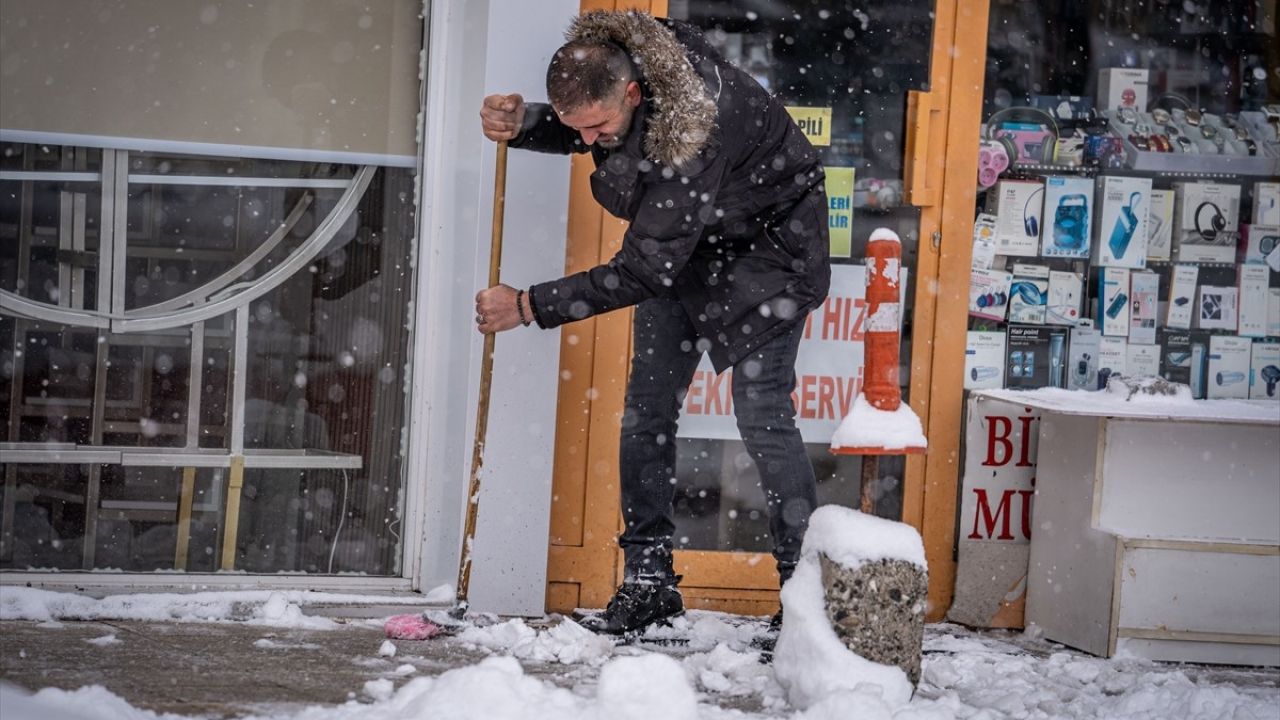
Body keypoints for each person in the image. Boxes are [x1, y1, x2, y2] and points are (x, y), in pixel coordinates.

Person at [476, 10, 830, 635]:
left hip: (768, 257)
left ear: (634, 92)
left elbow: (643, 270)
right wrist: (528, 123)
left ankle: (805, 600)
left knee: (762, 413)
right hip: (690, 246)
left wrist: (529, 305)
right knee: (647, 408)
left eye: (598, 127)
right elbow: (601, 131)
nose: (588, 142)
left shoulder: (696, 130)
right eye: (574, 128)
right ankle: (648, 581)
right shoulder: (623, 88)